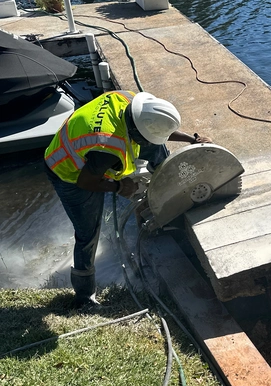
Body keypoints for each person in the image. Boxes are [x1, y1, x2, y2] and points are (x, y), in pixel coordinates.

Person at [44, 90, 210, 307]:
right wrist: (120, 185)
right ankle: (84, 297)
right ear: (137, 130)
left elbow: (156, 130)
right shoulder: (107, 147)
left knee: (156, 145)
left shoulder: (130, 101)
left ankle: (166, 190)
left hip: (89, 150)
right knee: (88, 234)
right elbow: (86, 182)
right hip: (68, 171)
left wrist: (193, 139)